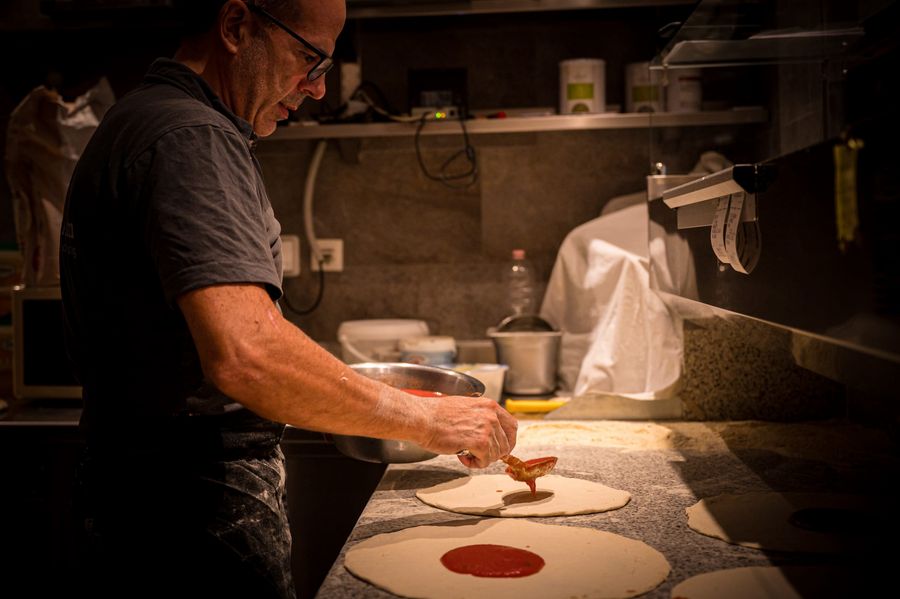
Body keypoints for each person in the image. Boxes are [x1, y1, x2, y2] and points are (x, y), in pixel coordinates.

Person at [59, 1, 518, 597]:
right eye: (309, 58)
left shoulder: (145, 118)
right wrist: (429, 418)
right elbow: (249, 354)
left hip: (142, 500)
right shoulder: (190, 137)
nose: (320, 89)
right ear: (234, 26)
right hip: (188, 514)